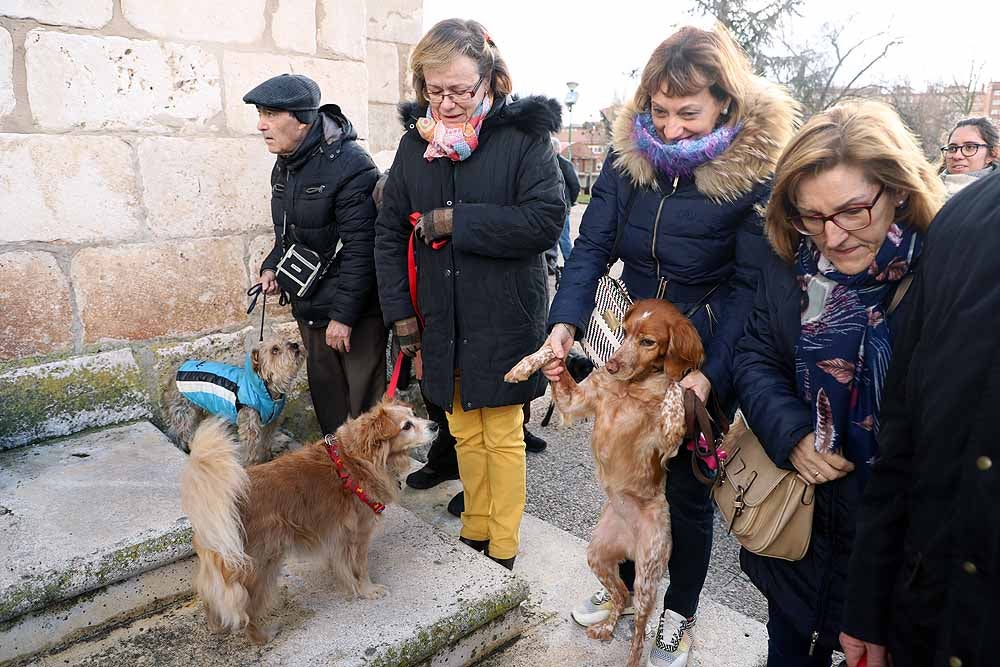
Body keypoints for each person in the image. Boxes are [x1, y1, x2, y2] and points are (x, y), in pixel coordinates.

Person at [543, 25, 798, 666]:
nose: (673, 128)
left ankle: (679, 610)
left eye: (689, 112)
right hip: (635, 343)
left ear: (725, 105)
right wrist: (565, 321)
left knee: (684, 489)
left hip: (703, 349)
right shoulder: (629, 158)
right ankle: (625, 588)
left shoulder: (752, 174)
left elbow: (750, 288)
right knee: (627, 476)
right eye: (660, 112)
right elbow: (593, 244)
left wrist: (705, 379)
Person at [732, 100, 945, 666]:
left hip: (897, 554)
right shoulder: (789, 261)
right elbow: (754, 356)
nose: (833, 236)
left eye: (853, 211)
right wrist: (794, 433)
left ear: (898, 188)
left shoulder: (948, 275)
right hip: (803, 532)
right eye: (812, 216)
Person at [374, 19, 564, 570]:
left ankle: (501, 545)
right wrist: (401, 317)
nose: (447, 102)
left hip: (504, 315)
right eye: (435, 91)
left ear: (491, 79)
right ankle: (475, 528)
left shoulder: (524, 138)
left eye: (460, 89)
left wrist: (457, 222)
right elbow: (388, 234)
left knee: (501, 433)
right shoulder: (416, 146)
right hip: (440, 317)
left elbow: (544, 221)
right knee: (461, 427)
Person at [839, 172, 1000, 667]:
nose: (834, 234)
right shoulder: (967, 220)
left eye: (851, 211)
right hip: (928, 612)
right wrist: (867, 603)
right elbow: (903, 431)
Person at [247, 74, 385, 435]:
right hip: (310, 307)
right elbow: (289, 235)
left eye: (271, 114)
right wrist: (271, 267)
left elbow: (363, 246)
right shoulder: (285, 163)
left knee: (366, 411)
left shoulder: (351, 163)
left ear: (303, 120)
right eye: (261, 113)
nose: (261, 125)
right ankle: (338, 480)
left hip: (354, 313)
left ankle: (376, 486)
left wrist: (344, 316)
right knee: (329, 403)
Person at [939, 116, 998, 197]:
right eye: (952, 148)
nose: (957, 156)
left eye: (970, 147)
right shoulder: (924, 191)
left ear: (992, 154)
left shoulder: (995, 197)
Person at [552, 136, 581, 265]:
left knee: (562, 238)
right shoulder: (563, 164)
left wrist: (570, 201)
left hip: (560, 207)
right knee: (558, 238)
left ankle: (570, 264)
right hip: (559, 206)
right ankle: (554, 263)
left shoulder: (562, 164)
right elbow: (575, 185)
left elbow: (575, 185)